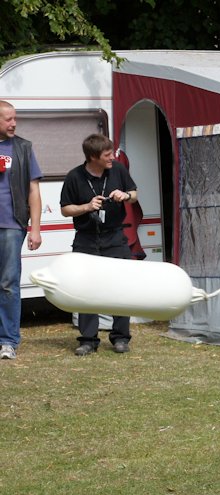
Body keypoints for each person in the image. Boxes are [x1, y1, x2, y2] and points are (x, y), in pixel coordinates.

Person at [60, 134, 138, 355]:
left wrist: (126, 195)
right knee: (86, 290)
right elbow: (66, 209)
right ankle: (88, 340)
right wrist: (86, 206)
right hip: (86, 239)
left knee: (120, 289)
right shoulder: (74, 177)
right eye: (107, 155)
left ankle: (121, 338)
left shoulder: (118, 170)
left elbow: (134, 194)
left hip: (114, 238)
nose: (112, 157)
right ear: (93, 157)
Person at [0, 100, 43, 360]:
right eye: (8, 119)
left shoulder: (23, 148)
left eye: (15, 118)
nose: (14, 123)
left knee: (8, 284)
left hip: (11, 226)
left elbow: (33, 191)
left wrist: (35, 229)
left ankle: (8, 341)